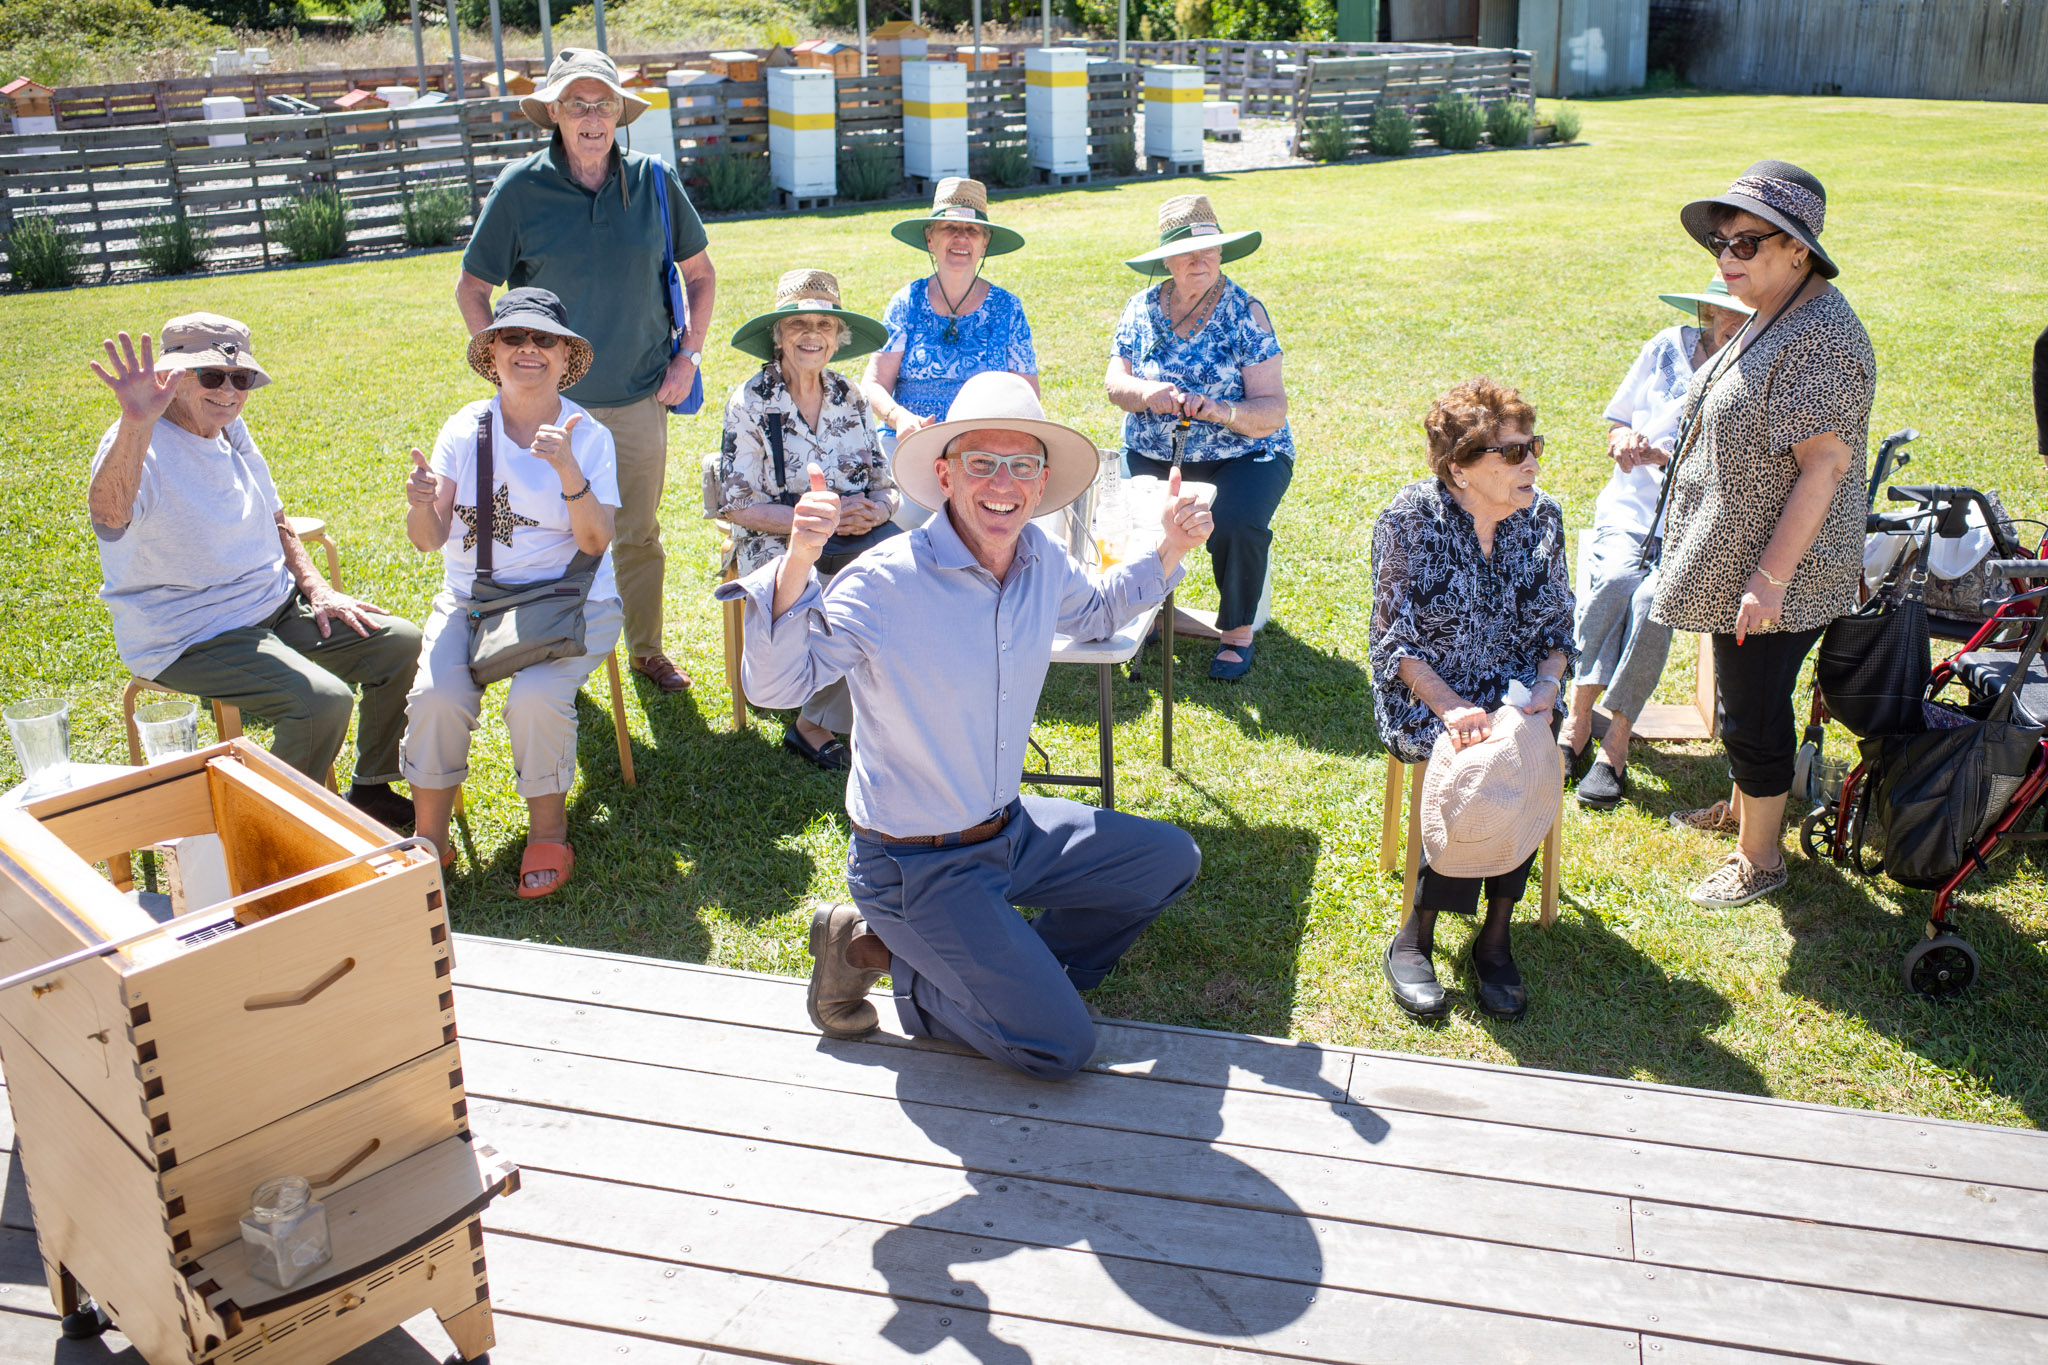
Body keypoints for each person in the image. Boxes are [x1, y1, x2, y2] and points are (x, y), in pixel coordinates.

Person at [714, 372, 1213, 1080]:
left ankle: (1022, 969)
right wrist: (798, 560)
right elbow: (774, 686)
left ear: (1041, 483)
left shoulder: (1040, 558)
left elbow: (1101, 609)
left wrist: (1171, 547)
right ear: (945, 474)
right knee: (1061, 1047)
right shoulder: (885, 580)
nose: (1002, 483)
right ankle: (879, 954)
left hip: (1007, 830)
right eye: (982, 462)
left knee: (1167, 860)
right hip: (913, 863)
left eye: (1021, 465)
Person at [86, 314, 421, 824]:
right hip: (190, 632)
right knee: (321, 703)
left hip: (273, 606)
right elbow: (109, 517)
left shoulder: (228, 426)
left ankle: (372, 788)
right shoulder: (138, 441)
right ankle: (268, 835)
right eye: (211, 376)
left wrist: (317, 587)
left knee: (399, 643)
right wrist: (135, 422)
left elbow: (275, 514)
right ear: (172, 378)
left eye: (240, 378)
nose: (229, 391)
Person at [457, 48, 716, 696]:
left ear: (619, 113)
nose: (592, 116)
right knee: (545, 533)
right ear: (554, 112)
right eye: (577, 102)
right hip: (548, 408)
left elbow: (702, 275)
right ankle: (540, 645)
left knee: (638, 533)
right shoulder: (520, 189)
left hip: (637, 397)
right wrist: (507, 370)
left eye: (603, 103)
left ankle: (647, 651)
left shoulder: (655, 181)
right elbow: (471, 287)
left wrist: (689, 356)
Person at [1652, 161, 1873, 909]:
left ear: (1798, 250)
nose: (1725, 259)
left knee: (1751, 711)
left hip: (1782, 570)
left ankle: (1760, 858)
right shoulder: (1772, 309)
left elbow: (1824, 468)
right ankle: (1749, 812)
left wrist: (1768, 580)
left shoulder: (1822, 336)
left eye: (1747, 243)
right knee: (1747, 702)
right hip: (1742, 555)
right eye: (1721, 242)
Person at [401, 289, 622, 899]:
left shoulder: (589, 434)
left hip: (570, 601)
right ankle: (429, 840)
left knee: (533, 697)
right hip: (474, 600)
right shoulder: (463, 427)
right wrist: (422, 504)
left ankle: (548, 833)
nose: (528, 349)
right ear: (492, 351)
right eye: (513, 338)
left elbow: (598, 541)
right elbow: (428, 541)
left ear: (564, 355)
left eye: (543, 339)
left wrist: (567, 469)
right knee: (437, 695)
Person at [1369, 378, 1574, 1020]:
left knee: (1518, 747)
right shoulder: (1409, 518)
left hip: (1515, 693)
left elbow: (1557, 628)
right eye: (1511, 454)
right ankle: (1422, 929)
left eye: (1533, 446)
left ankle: (1493, 930)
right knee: (1479, 758)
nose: (1532, 462)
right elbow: (1393, 642)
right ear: (1459, 468)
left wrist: (1546, 687)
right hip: (1429, 695)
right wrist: (1452, 707)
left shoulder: (1543, 517)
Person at [1562, 276, 1754, 810]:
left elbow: (1737, 472)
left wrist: (1667, 460)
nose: (1727, 323)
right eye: (1719, 312)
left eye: (1740, 314)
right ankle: (1577, 718)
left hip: (1696, 521)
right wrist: (1622, 440)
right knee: (1620, 578)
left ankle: (1617, 737)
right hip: (1629, 509)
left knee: (1653, 601)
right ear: (1704, 310)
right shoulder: (1665, 346)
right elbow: (1618, 418)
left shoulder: (1751, 372)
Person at [1105, 194, 1294, 680]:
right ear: (1165, 260)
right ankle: (1142, 612)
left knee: (1234, 521)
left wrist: (1221, 410)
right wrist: (1148, 392)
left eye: (1211, 250)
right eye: (1188, 253)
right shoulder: (1141, 307)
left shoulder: (1245, 312)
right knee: (1130, 520)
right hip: (1153, 450)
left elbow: (1273, 409)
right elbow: (1115, 384)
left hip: (1246, 453)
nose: (1201, 261)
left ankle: (1236, 631)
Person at [719, 269, 897, 771]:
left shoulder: (851, 396)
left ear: (838, 338)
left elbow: (886, 488)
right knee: (833, 590)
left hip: (856, 537)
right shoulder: (751, 401)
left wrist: (875, 510)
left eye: (824, 324)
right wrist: (819, 521)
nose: (812, 335)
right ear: (779, 335)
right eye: (799, 324)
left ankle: (880, 707)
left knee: (903, 577)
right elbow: (737, 505)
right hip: (774, 538)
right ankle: (810, 724)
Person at [860, 178, 1037, 527]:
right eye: (949, 228)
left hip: (982, 456)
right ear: (930, 238)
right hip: (911, 448)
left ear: (985, 243)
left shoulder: (1007, 309)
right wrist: (898, 417)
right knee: (901, 519)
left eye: (972, 230)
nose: (960, 238)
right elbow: (873, 385)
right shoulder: (906, 302)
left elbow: (1027, 396)